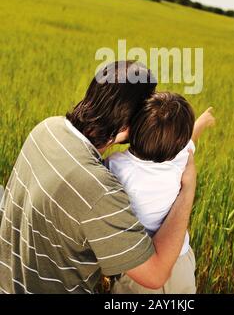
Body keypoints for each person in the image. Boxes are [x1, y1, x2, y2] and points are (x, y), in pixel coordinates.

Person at [0, 61, 197, 294]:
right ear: (127, 124)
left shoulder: (46, 129)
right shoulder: (100, 189)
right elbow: (155, 275)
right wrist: (187, 189)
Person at [106, 92, 215, 294]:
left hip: (139, 270)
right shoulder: (180, 160)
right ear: (179, 143)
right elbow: (189, 142)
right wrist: (202, 122)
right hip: (179, 262)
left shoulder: (115, 165)